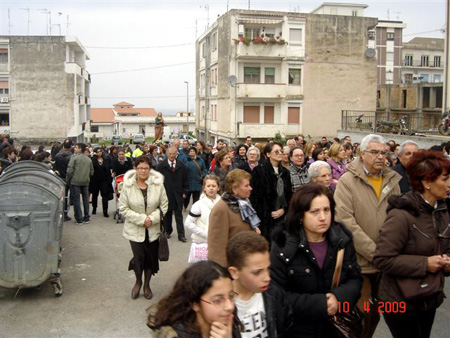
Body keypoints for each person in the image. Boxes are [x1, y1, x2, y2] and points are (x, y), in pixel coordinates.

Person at [373, 150, 450, 338]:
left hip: (428, 296)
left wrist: (446, 262)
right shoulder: (401, 215)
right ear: (427, 182)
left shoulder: (442, 212)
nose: (449, 185)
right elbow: (382, 259)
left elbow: (444, 249)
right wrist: (425, 264)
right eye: (445, 179)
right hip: (398, 301)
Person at [270, 184, 362, 337]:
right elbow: (276, 294)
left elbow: (355, 279)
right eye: (314, 212)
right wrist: (321, 304)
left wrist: (338, 297)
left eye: (326, 210)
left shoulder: (342, 241)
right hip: (297, 330)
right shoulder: (283, 246)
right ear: (300, 216)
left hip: (336, 328)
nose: (323, 217)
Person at [334, 134, 401, 338]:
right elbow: (346, 222)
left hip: (387, 263)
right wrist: (375, 253)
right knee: (359, 314)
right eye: (374, 152)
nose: (380, 156)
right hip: (360, 263)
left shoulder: (392, 180)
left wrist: (391, 252)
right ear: (362, 154)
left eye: (383, 152)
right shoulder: (347, 181)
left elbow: (399, 218)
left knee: (378, 314)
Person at [147, 261, 242, 338]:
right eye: (218, 300)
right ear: (195, 304)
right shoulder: (175, 335)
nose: (230, 306)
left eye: (231, 296)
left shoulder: (229, 322)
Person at [120, 156, 168, 300]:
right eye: (140, 168)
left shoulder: (158, 185)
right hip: (135, 228)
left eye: (146, 168)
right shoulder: (128, 185)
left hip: (153, 229)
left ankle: (147, 284)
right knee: (138, 257)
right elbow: (123, 208)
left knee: (150, 258)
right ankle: (138, 281)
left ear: (150, 169)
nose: (143, 171)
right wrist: (142, 220)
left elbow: (164, 205)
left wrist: (152, 219)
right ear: (135, 169)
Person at [227, 231, 291, 338]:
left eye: (268, 269)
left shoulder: (274, 294)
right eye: (257, 272)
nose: (267, 278)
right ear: (234, 272)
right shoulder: (223, 306)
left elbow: (286, 326)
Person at [208, 169, 260, 267]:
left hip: (245, 263)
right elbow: (216, 247)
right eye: (246, 186)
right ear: (235, 189)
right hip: (233, 267)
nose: (250, 188)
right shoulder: (221, 209)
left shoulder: (244, 203)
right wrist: (223, 273)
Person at [251, 142, 292, 242]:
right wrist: (269, 213)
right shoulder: (259, 171)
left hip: (281, 217)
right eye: (276, 151)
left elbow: (288, 194)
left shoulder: (285, 173)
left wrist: (283, 210)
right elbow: (256, 197)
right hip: (265, 219)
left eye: (281, 151)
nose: (280, 153)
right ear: (268, 154)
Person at [184, 175, 221, 263]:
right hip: (202, 243)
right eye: (208, 186)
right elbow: (188, 223)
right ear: (204, 188)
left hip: (218, 243)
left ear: (218, 188)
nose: (211, 188)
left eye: (213, 186)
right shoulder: (198, 205)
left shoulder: (222, 204)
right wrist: (205, 234)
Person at [156, 146, 189, 242]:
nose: (171, 156)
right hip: (166, 194)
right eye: (170, 154)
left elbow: (185, 180)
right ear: (167, 154)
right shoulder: (161, 166)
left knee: (179, 215)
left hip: (178, 194)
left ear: (176, 154)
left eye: (173, 154)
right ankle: (167, 231)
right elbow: (157, 182)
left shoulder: (181, 165)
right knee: (167, 215)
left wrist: (185, 192)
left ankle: (181, 234)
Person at [66, 143, 94, 225]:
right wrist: (86, 176)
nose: (75, 148)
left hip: (75, 181)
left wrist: (68, 180)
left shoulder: (74, 158)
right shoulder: (88, 159)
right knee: (85, 199)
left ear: (80, 149)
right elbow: (92, 172)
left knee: (76, 200)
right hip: (85, 181)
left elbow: (70, 171)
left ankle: (79, 218)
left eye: (76, 147)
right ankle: (87, 217)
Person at [90, 147, 114, 217]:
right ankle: (94, 208)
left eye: (100, 151)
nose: (99, 153)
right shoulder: (93, 160)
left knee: (105, 196)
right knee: (95, 195)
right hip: (95, 180)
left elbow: (110, 167)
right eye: (97, 152)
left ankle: (105, 211)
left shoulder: (106, 159)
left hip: (104, 180)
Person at [54, 139, 74, 221]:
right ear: (71, 147)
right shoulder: (72, 156)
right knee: (70, 197)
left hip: (60, 177)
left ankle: (61, 213)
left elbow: (55, 167)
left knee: (62, 197)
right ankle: (66, 213)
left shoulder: (57, 155)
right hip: (69, 178)